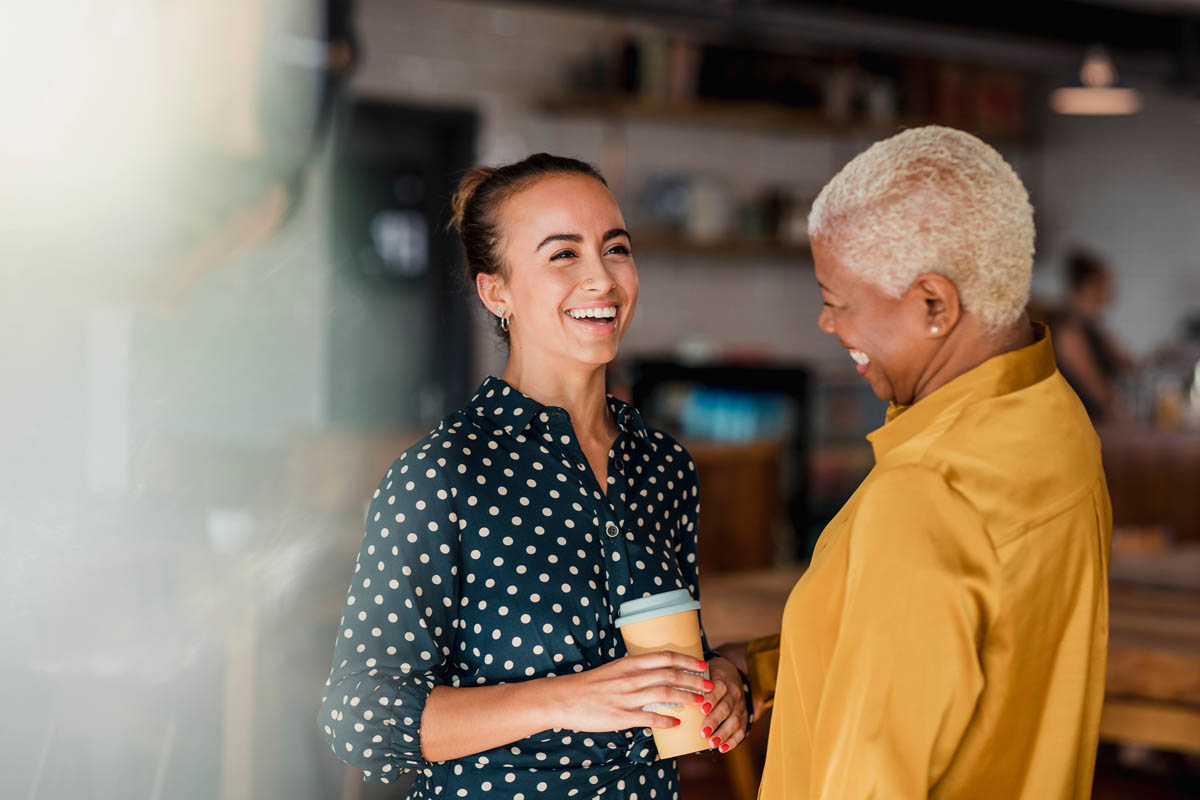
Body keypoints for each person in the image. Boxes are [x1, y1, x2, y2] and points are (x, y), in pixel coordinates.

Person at [318, 153, 750, 798]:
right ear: (497, 291)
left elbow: (678, 658)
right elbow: (361, 717)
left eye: (616, 248)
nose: (601, 279)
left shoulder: (664, 467)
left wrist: (729, 680)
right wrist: (563, 700)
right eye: (563, 254)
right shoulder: (445, 472)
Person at [757, 127, 1111, 799]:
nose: (828, 326)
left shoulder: (927, 489)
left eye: (837, 301)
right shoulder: (1055, 420)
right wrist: (765, 672)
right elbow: (953, 652)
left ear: (933, 304)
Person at [1053, 248, 1135, 421]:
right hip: (1079, 426)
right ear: (1088, 286)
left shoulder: (1093, 328)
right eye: (1105, 284)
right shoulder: (1070, 332)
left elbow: (1130, 365)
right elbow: (1099, 392)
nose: (1111, 292)